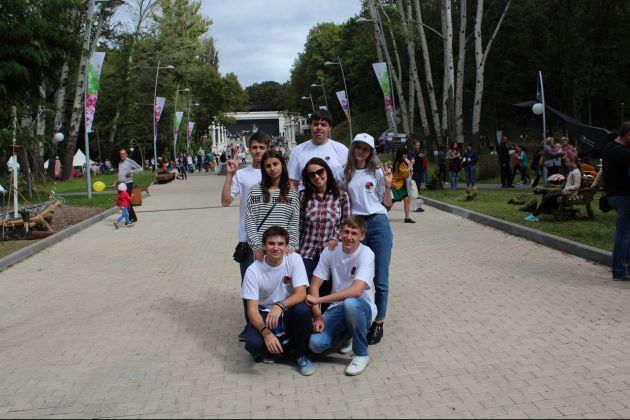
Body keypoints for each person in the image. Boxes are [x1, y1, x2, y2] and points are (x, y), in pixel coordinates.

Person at [308, 216, 377, 376]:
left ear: (362, 236)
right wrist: (317, 316)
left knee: (350, 303)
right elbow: (314, 285)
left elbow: (356, 291)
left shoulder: (366, 253)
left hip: (362, 307)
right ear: (340, 232)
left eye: (354, 233)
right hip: (337, 308)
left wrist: (319, 300)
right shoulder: (330, 250)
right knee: (315, 344)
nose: (349, 237)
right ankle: (347, 336)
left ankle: (361, 354)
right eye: (346, 232)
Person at [241, 225, 314, 375]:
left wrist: (280, 305)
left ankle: (301, 355)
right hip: (265, 312)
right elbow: (252, 310)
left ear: (286, 246)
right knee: (253, 344)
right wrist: (265, 333)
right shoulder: (253, 270)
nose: (276, 248)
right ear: (264, 246)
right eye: (271, 244)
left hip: (288, 309)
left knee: (303, 311)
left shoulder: (294, 259)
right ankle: (278, 348)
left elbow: (301, 293)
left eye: (280, 244)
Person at [343, 133, 392, 345]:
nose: (361, 151)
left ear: (371, 152)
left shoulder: (377, 172)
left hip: (378, 223)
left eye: (365, 148)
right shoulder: (345, 173)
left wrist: (388, 185)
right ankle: (359, 318)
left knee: (380, 278)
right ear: (353, 148)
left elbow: (387, 203)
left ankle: (378, 322)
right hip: (356, 225)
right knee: (357, 277)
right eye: (358, 147)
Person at [221, 131, 270, 341]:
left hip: (274, 239)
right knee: (249, 283)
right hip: (248, 238)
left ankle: (272, 322)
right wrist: (229, 175)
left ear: (268, 149)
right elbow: (225, 201)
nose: (258, 151)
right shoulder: (242, 175)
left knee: (275, 282)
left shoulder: (276, 171)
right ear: (249, 150)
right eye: (254, 147)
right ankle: (251, 324)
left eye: (262, 147)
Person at [297, 157, 350, 291]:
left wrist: (336, 237)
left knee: (326, 292)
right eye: (312, 174)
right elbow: (299, 224)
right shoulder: (303, 196)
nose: (316, 176)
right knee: (304, 290)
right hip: (307, 251)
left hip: (330, 252)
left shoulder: (341, 196)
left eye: (320, 171)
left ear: (327, 171)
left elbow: (346, 222)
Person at [246, 150, 300, 261]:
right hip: (261, 252)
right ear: (264, 169)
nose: (272, 168)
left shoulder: (292, 193)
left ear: (282, 165)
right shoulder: (255, 191)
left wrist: (291, 245)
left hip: (283, 251)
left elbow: (294, 223)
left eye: (275, 164)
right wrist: (257, 246)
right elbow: (250, 220)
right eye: (268, 166)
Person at [287, 109, 349, 190]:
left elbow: (349, 178)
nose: (319, 128)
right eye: (316, 124)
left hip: (334, 196)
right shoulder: (298, 151)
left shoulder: (341, 149)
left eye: (323, 125)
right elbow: (293, 182)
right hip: (306, 197)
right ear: (310, 126)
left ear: (330, 127)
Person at [602, 122, 630, 281]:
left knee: (625, 232)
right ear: (628, 135)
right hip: (624, 196)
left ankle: (623, 265)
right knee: (623, 234)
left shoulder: (609, 147)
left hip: (612, 195)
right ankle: (619, 270)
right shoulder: (623, 152)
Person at [523, 155, 581, 222]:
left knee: (548, 197)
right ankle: (561, 212)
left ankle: (534, 215)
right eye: (566, 161)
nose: (566, 163)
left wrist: (567, 188)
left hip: (569, 194)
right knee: (549, 196)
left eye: (567, 162)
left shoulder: (576, 172)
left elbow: (577, 185)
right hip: (565, 192)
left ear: (573, 162)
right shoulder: (572, 170)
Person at [117, 149, 142, 223]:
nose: (122, 155)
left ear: (126, 154)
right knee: (123, 201)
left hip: (128, 183)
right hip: (121, 185)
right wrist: (116, 182)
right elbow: (120, 175)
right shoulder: (120, 163)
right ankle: (131, 217)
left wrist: (131, 171)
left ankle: (131, 218)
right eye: (120, 154)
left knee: (126, 201)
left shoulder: (129, 161)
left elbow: (140, 168)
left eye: (123, 154)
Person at [391, 149, 415, 223]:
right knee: (390, 202)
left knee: (407, 199)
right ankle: (379, 214)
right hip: (396, 185)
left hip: (400, 184)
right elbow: (405, 173)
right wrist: (411, 164)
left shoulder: (401, 162)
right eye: (404, 154)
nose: (406, 155)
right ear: (400, 155)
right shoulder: (399, 163)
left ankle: (407, 218)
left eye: (406, 154)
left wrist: (409, 163)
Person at [407, 139, 425, 212]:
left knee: (418, 189)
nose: (418, 147)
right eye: (417, 145)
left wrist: (421, 156)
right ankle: (416, 207)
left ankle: (418, 206)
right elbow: (411, 160)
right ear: (414, 145)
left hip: (419, 170)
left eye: (419, 145)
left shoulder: (418, 151)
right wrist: (418, 156)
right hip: (414, 171)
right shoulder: (410, 152)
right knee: (415, 189)